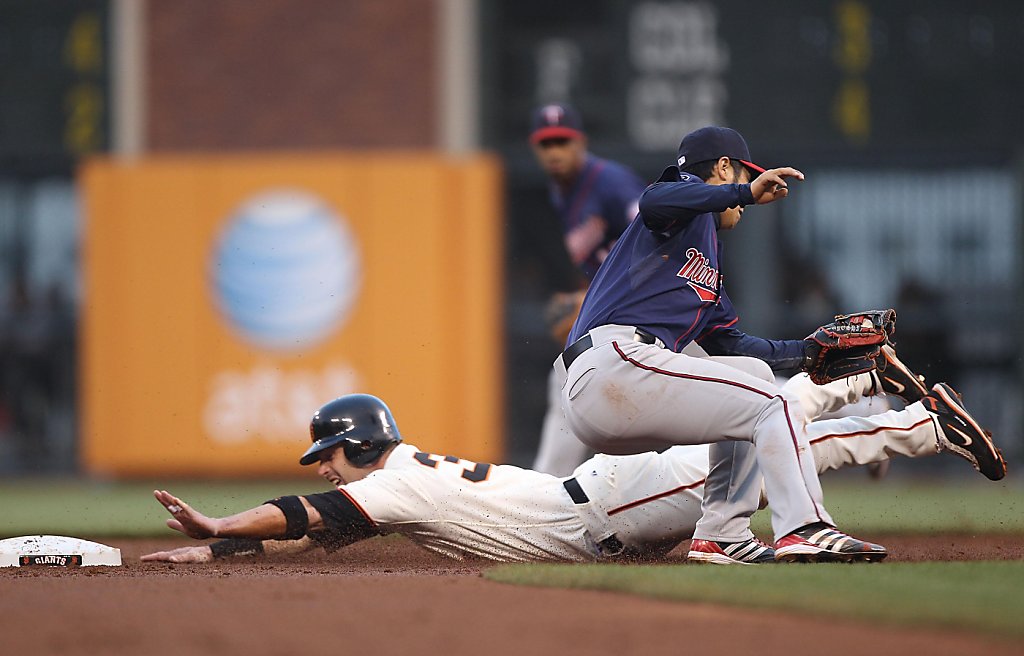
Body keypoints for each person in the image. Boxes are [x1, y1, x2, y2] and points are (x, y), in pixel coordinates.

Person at [554, 126, 1006, 564]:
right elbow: (658, 198)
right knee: (774, 403)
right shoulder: (676, 204)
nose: (751, 192)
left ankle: (721, 534)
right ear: (724, 167)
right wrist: (742, 193)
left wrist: (810, 352)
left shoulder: (708, 266)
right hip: (613, 363)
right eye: (746, 174)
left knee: (754, 379)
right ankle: (804, 528)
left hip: (619, 384)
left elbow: (734, 345)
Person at [142, 366, 1001, 566]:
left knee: (771, 439)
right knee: (760, 429)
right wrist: (218, 550)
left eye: (325, 453)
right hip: (611, 509)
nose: (323, 469)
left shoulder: (388, 482)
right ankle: (856, 376)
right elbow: (317, 531)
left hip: (613, 507)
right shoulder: (397, 480)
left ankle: (918, 420)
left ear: (352, 446)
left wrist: (221, 525)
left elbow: (304, 517)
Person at [527, 103, 647, 476]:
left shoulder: (611, 183)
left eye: (563, 141)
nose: (555, 151)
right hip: (626, 312)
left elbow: (658, 244)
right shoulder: (561, 191)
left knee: (743, 381)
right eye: (547, 144)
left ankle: (826, 396)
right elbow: (604, 257)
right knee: (565, 377)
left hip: (662, 305)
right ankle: (545, 489)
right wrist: (590, 294)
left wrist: (590, 300)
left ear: (581, 143)